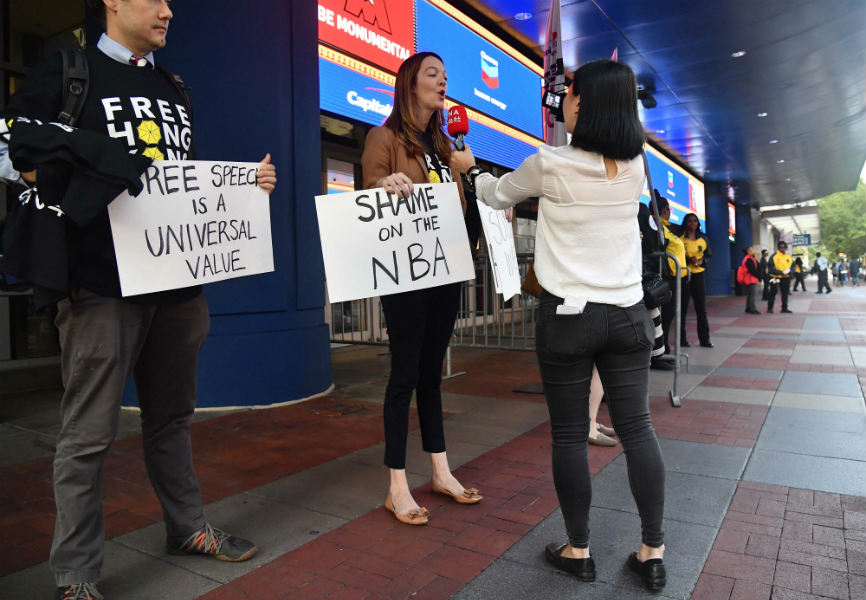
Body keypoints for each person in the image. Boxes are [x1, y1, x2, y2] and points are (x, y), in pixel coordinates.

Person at [0, 2, 276, 598]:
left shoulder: (171, 84)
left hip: (177, 285)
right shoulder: (68, 72)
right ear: (113, 3)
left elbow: (176, 178)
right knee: (87, 435)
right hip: (101, 287)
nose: (168, 10)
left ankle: (186, 528)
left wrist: (242, 189)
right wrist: (55, 177)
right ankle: (75, 575)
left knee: (172, 420)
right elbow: (13, 150)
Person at [451, 59, 667, 591]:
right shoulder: (637, 164)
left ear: (586, 104)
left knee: (570, 434)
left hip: (568, 318)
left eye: (569, 92)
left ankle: (579, 549)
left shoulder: (549, 163)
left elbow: (495, 195)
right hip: (629, 317)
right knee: (638, 428)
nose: (562, 100)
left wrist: (470, 168)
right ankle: (653, 551)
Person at [361, 51, 482, 527]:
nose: (443, 82)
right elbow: (364, 199)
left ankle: (440, 470)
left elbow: (459, 212)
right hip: (406, 278)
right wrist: (381, 185)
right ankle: (396, 485)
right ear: (410, 83)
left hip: (444, 272)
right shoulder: (383, 137)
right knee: (404, 375)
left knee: (432, 373)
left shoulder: (446, 148)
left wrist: (470, 176)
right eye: (433, 74)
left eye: (446, 76)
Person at [655, 192, 688, 360]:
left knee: (669, 316)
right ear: (663, 210)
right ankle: (662, 348)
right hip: (668, 278)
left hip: (678, 278)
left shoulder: (667, 228)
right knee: (665, 316)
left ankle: (664, 346)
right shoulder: (659, 227)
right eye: (668, 209)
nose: (670, 212)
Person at [679, 213, 712, 347]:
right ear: (685, 223)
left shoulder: (704, 240)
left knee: (701, 309)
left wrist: (702, 261)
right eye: (689, 221)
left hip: (699, 275)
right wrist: (689, 260)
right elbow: (678, 255)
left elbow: (709, 256)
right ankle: (682, 339)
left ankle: (705, 340)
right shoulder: (680, 239)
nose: (692, 223)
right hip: (684, 275)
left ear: (698, 223)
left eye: (695, 221)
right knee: (682, 308)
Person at [767, 240, 793, 313]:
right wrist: (781, 273)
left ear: (786, 248)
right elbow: (771, 269)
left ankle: (784, 308)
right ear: (778, 248)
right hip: (775, 277)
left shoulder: (789, 257)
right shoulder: (773, 256)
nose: (782, 248)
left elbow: (793, 266)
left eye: (784, 247)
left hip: (786, 278)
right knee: (772, 292)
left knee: (785, 293)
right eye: (780, 247)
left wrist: (790, 271)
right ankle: (770, 308)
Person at [741, 246, 762, 314]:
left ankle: (748, 308)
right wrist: (759, 276)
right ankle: (752, 309)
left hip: (750, 279)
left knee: (750, 294)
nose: (754, 250)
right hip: (751, 279)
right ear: (748, 251)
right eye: (752, 249)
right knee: (752, 295)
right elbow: (752, 270)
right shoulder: (748, 259)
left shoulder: (750, 258)